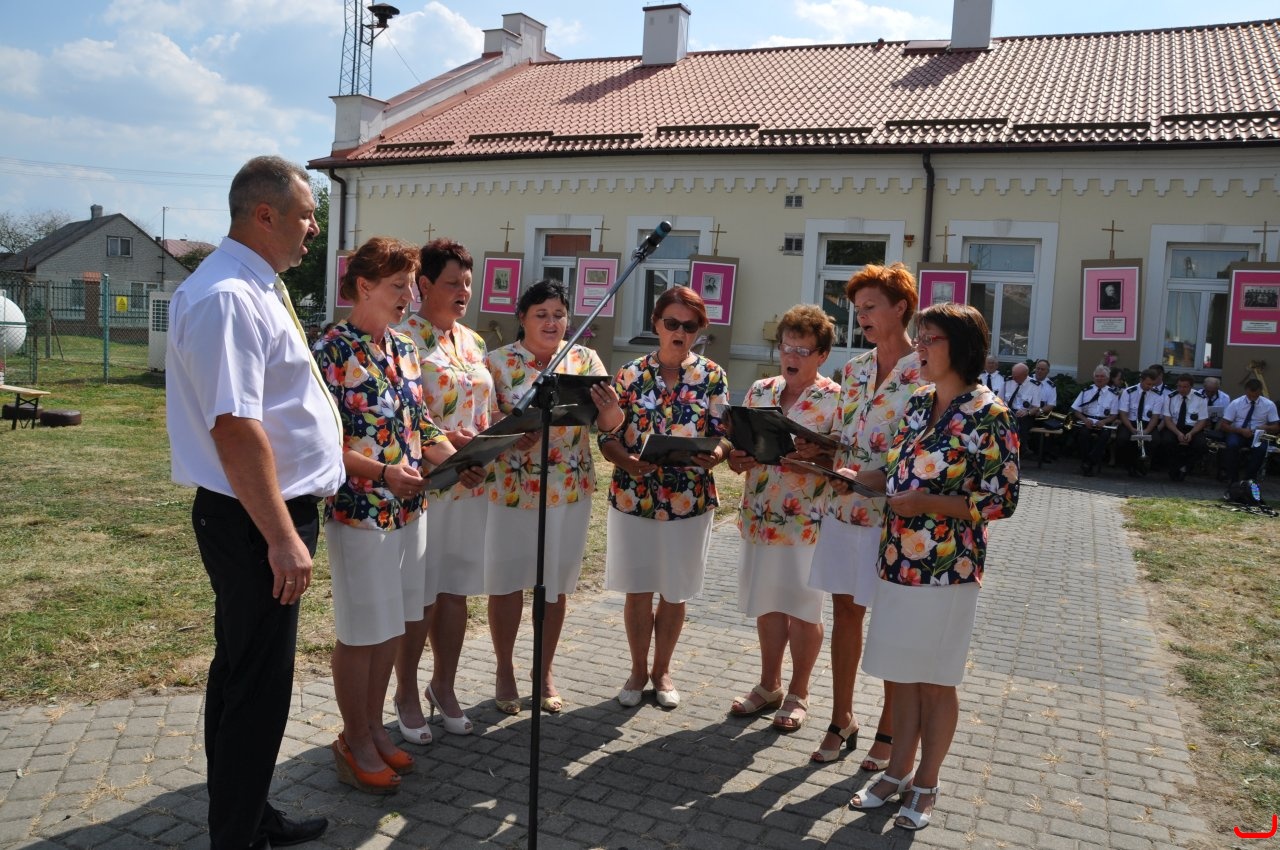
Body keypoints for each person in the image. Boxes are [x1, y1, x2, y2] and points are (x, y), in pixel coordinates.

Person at [166, 155, 341, 849]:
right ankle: (236, 836)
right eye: (305, 214)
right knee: (255, 686)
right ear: (264, 215)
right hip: (255, 519)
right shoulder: (228, 298)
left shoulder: (255, 286)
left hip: (261, 514)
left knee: (247, 674)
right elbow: (236, 428)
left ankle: (248, 815)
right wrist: (281, 537)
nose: (313, 227)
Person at [850, 303, 1019, 831]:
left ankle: (926, 783)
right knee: (901, 675)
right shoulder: (920, 401)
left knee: (935, 680)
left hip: (948, 569)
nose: (919, 348)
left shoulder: (990, 414)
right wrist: (856, 477)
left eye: (930, 339)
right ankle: (896, 771)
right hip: (897, 560)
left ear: (961, 347)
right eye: (919, 337)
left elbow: (1002, 500)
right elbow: (897, 471)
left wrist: (928, 503)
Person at [314, 237, 461, 795]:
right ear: (364, 285)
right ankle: (353, 738)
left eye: (410, 286)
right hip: (360, 512)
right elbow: (323, 444)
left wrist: (459, 460)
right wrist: (380, 473)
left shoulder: (402, 346)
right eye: (398, 286)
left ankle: (375, 729)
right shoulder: (330, 350)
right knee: (362, 632)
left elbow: (420, 425)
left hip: (410, 509)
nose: (408, 296)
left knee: (392, 627)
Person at [805, 262, 925, 768]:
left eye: (871, 307)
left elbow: (925, 450)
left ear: (901, 308)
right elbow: (843, 434)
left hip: (895, 517)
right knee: (845, 614)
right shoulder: (853, 369)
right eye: (858, 310)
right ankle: (842, 718)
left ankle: (890, 730)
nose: (863, 317)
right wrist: (816, 452)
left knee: (891, 622)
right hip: (843, 508)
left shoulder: (926, 371)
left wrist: (876, 475)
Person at [485, 280, 624, 713]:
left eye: (559, 315)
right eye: (541, 314)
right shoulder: (497, 362)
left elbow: (610, 425)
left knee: (554, 586)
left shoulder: (584, 359)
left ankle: (543, 671)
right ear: (522, 319)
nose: (551, 322)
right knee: (507, 583)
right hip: (511, 488)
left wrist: (610, 407)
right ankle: (504, 670)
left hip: (568, 488)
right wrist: (512, 433)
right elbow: (485, 420)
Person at [600, 286, 728, 709]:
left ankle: (662, 671)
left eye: (690, 326)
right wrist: (629, 461)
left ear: (699, 331)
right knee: (638, 589)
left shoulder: (712, 375)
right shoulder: (629, 374)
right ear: (656, 323)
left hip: (689, 498)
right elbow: (607, 437)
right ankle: (638, 670)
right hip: (635, 496)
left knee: (675, 591)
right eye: (672, 323)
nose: (680, 332)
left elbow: (723, 434)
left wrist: (716, 454)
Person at [394, 238, 494, 736]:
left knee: (456, 591)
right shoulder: (403, 338)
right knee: (422, 596)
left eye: (468, 283)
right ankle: (406, 692)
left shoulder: (473, 342)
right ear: (424, 285)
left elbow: (486, 411)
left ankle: (444, 686)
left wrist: (489, 446)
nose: (463, 292)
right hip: (427, 485)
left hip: (470, 484)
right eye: (453, 282)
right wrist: (445, 443)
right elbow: (401, 415)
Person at [725, 305, 840, 732]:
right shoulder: (761, 390)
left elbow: (842, 459)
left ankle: (798, 693)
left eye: (803, 350)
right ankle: (769, 685)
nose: (791, 356)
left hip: (807, 520)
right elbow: (740, 445)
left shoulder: (835, 398)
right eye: (787, 347)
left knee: (804, 609)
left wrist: (818, 456)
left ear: (822, 354)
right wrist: (736, 458)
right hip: (760, 513)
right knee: (768, 602)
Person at [1219, 378, 1280, 483]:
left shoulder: (1269, 405)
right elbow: (1224, 425)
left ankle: (1249, 479)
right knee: (1232, 445)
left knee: (1261, 449)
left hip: (1258, 434)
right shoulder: (1236, 403)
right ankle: (1233, 479)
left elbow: (1276, 427)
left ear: (1260, 391)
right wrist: (1240, 431)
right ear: (1246, 390)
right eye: (1249, 396)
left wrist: (1266, 427)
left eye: (1255, 396)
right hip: (1238, 432)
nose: (1252, 398)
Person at [1071, 365, 1121, 477]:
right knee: (1083, 434)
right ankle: (1088, 463)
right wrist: (1085, 420)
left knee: (1104, 436)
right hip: (1087, 421)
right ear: (1093, 378)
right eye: (1097, 376)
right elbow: (1076, 411)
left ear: (1107, 379)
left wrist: (1104, 422)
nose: (1099, 378)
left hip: (1103, 423)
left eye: (1102, 376)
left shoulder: (1113, 394)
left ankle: (1088, 462)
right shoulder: (1086, 391)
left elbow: (1114, 415)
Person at [1158, 373, 1209, 480]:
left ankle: (1186, 466)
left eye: (1185, 387)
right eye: (1179, 386)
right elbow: (1167, 419)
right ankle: (1175, 467)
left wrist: (1191, 433)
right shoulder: (1170, 397)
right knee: (1166, 441)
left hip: (1193, 428)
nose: (1181, 389)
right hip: (1175, 427)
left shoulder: (1201, 398)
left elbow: (1202, 420)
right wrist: (1178, 433)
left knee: (1201, 445)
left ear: (1191, 386)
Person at [1117, 369, 1166, 476]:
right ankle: (1130, 464)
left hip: (1147, 424)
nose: (1150, 387)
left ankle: (1142, 462)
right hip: (1130, 423)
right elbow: (1123, 414)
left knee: (1155, 440)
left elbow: (1155, 417)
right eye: (1148, 384)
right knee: (1122, 439)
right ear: (1141, 380)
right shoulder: (1129, 392)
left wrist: (1146, 431)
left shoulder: (1158, 395)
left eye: (1153, 384)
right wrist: (1131, 429)